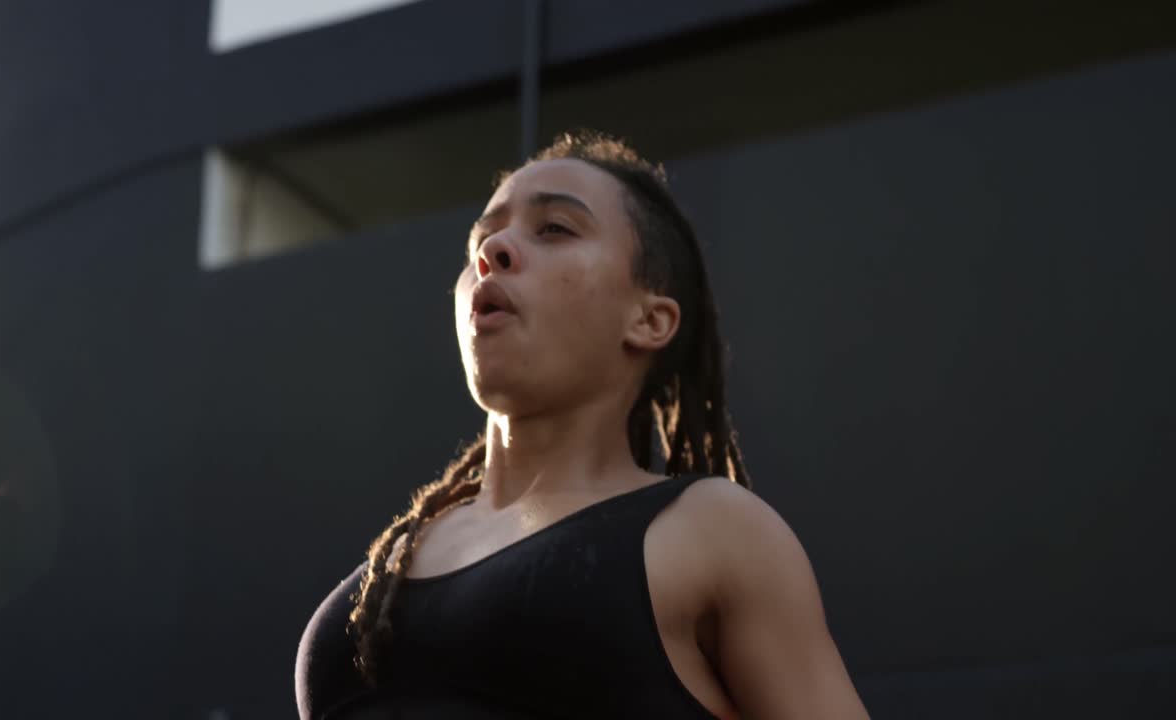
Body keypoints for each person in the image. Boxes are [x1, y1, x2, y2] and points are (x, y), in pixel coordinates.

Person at [295, 131, 869, 719]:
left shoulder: (712, 530)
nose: (494, 252)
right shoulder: (379, 576)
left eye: (555, 229)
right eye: (484, 238)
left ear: (649, 320)